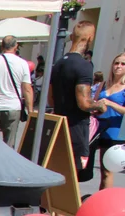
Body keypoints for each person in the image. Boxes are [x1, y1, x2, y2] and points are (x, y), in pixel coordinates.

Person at [51, 21, 106, 182]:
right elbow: (84, 103)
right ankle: (68, 205)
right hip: (76, 125)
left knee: (59, 167)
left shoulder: (59, 63)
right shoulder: (84, 66)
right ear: (89, 38)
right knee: (74, 171)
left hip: (60, 122)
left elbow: (50, 98)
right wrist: (100, 105)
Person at [94, 52, 125, 189]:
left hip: (116, 132)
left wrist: (110, 103)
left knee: (108, 171)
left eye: (123, 64)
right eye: (116, 63)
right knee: (102, 171)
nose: (118, 66)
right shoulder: (104, 84)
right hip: (99, 129)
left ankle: (105, 203)